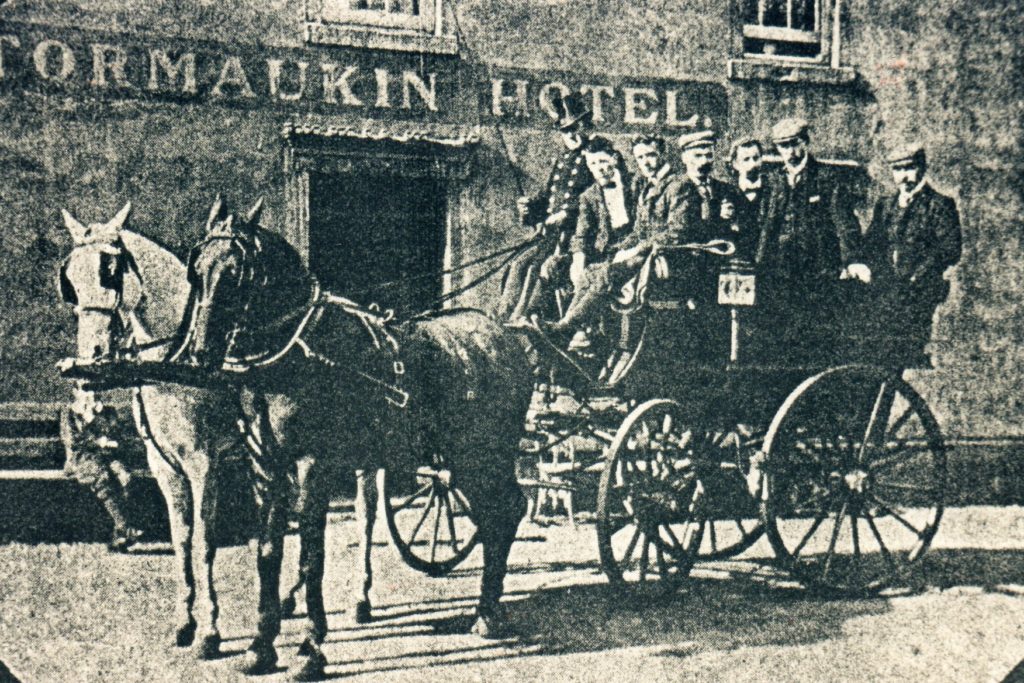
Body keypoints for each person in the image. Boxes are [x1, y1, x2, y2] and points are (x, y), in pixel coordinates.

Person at [497, 92, 595, 324]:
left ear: (585, 126)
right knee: (517, 264)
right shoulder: (562, 160)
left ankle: (521, 316)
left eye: (575, 128)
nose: (570, 135)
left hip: (576, 235)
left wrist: (566, 214)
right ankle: (502, 314)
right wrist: (530, 206)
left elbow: (596, 197)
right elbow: (548, 196)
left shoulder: (596, 154)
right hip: (551, 233)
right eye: (565, 131)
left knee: (536, 268)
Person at [861, 142, 962, 357]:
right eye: (897, 170)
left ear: (922, 168)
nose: (903, 177)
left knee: (897, 349)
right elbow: (871, 243)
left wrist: (918, 276)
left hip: (919, 290)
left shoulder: (939, 204)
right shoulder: (886, 204)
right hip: (884, 287)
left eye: (909, 168)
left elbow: (950, 248)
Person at [756, 117, 868, 298]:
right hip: (781, 267)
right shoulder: (773, 180)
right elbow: (765, 223)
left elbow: (844, 223)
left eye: (794, 144)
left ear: (805, 142)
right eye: (783, 146)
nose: (790, 151)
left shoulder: (827, 178)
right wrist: (760, 262)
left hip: (818, 267)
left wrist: (852, 260)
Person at [542, 136, 635, 335]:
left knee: (596, 275)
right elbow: (581, 235)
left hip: (626, 253)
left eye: (603, 161)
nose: (599, 168)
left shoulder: (635, 186)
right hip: (601, 251)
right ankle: (532, 317)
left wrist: (626, 249)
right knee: (553, 265)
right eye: (593, 163)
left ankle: (570, 328)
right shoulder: (589, 195)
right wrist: (577, 261)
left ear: (614, 159)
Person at [60, 386, 143, 552]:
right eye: (85, 390)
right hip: (82, 458)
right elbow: (73, 442)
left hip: (108, 457)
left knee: (126, 477)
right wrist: (98, 441)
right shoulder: (69, 412)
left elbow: (115, 435)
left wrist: (95, 419)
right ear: (76, 392)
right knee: (102, 477)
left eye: (93, 389)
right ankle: (125, 528)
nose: (91, 393)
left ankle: (119, 535)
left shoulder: (108, 411)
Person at [728, 137, 773, 263]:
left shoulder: (773, 190)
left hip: (767, 260)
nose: (752, 164)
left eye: (756, 158)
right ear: (735, 164)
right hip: (735, 260)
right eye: (746, 159)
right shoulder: (727, 191)